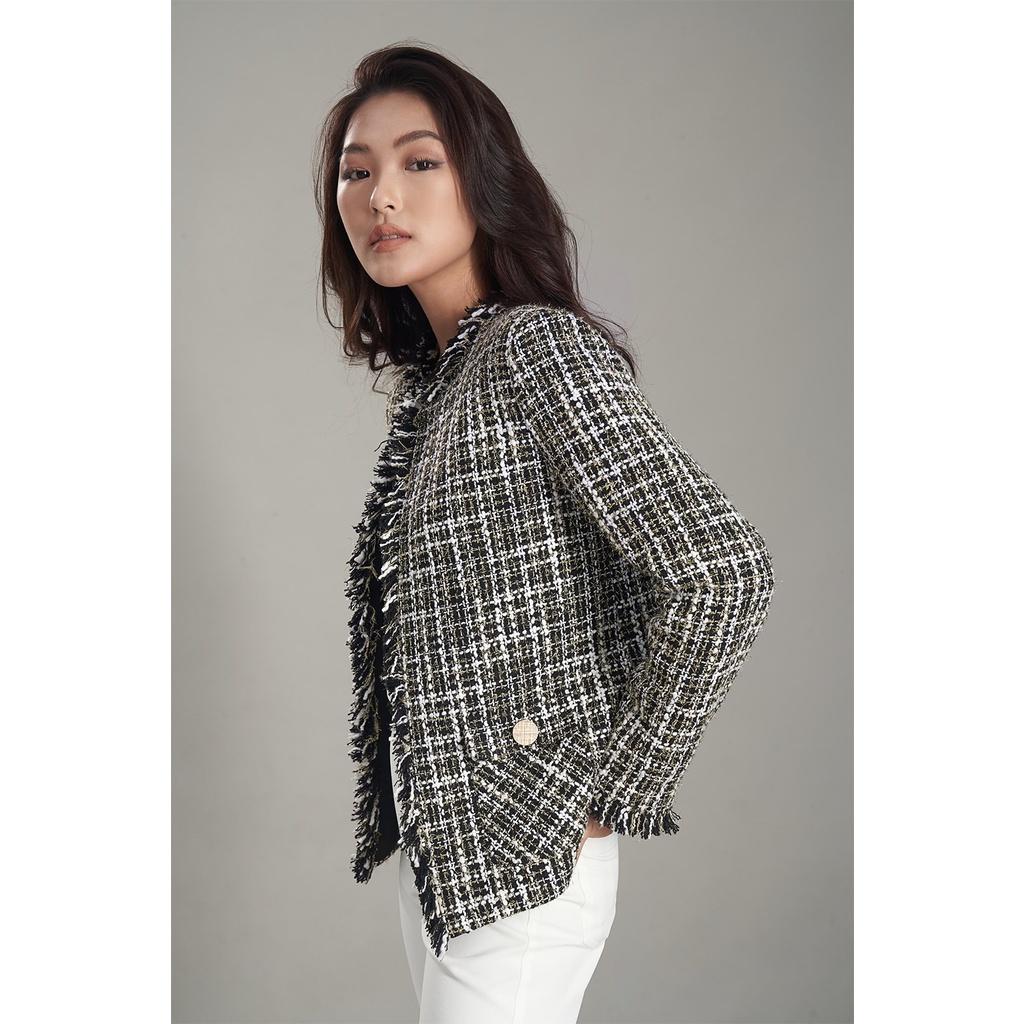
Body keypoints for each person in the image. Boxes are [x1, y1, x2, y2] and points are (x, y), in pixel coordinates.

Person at [313, 43, 775, 1024]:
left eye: (419, 161)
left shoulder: (535, 348)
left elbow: (721, 570)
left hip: (528, 853)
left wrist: (612, 793)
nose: (380, 195)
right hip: (451, 856)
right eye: (355, 172)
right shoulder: (447, 384)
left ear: (483, 180)